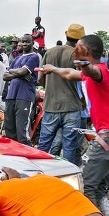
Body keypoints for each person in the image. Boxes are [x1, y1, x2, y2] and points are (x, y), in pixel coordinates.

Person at [42, 34, 109, 216]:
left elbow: (92, 72)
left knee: (86, 189)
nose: (73, 53)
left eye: (77, 50)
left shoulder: (100, 71)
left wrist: (86, 65)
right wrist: (52, 68)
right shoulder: (88, 73)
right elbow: (71, 74)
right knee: (97, 192)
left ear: (85, 50)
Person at [36, 23, 85, 165]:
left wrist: (51, 87)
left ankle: (40, 172)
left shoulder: (49, 52)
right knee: (69, 146)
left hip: (51, 105)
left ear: (66, 35)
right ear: (80, 41)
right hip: (71, 106)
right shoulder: (76, 54)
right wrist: (82, 100)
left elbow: (40, 79)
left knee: (44, 145)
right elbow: (81, 80)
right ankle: (67, 176)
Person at [2, 34, 40, 144]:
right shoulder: (17, 58)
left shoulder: (34, 57)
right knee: (10, 130)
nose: (24, 44)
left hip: (25, 97)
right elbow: (5, 76)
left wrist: (16, 72)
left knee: (22, 132)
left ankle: (26, 157)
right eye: (23, 41)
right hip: (11, 96)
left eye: (27, 41)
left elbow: (22, 71)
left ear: (32, 43)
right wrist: (20, 73)